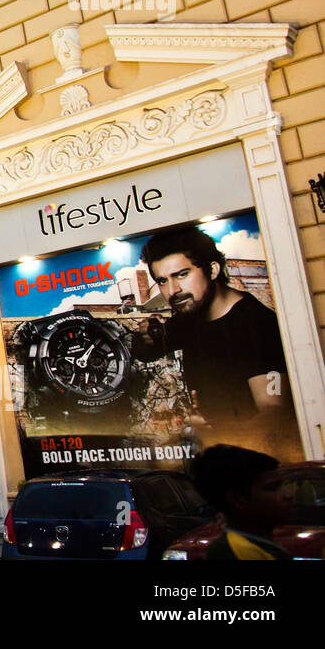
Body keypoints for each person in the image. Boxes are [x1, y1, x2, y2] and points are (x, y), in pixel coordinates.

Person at [134, 226, 292, 453]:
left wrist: (215, 433)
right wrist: (146, 334)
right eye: (162, 280)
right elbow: (144, 351)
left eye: (182, 274)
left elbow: (275, 410)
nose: (173, 290)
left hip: (257, 463)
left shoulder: (256, 323)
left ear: (213, 269)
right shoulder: (189, 318)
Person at [190, 444, 294, 559]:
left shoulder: (261, 546)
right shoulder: (235, 553)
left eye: (283, 485)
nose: (288, 495)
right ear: (238, 499)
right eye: (272, 488)